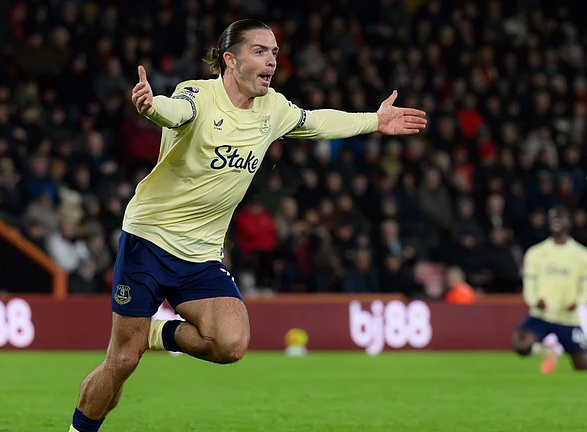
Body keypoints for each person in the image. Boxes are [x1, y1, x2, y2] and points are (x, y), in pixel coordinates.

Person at [68, 19, 427, 432]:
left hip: (201, 253)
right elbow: (175, 110)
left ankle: (155, 334)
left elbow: (316, 122)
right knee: (122, 361)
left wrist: (374, 121)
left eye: (274, 52)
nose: (271, 60)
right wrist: (152, 106)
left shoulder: (272, 107)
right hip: (149, 240)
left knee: (231, 344)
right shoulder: (198, 94)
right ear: (230, 60)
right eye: (260, 51)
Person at [512, 206, 587, 373]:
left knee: (582, 366)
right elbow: (529, 283)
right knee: (520, 344)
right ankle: (545, 351)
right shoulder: (536, 253)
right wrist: (534, 301)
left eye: (561, 218)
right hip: (542, 315)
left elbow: (585, 285)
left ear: (569, 222)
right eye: (553, 218)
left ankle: (558, 349)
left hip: (568, 318)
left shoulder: (582, 255)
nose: (557, 222)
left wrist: (578, 302)